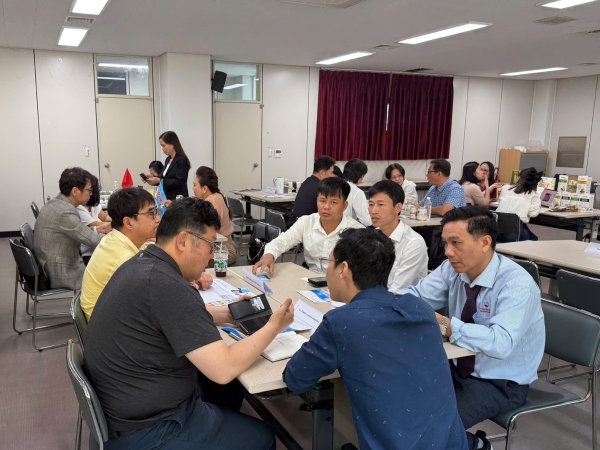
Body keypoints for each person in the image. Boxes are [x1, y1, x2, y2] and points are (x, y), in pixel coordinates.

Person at [84, 198, 294, 450]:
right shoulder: (167, 286)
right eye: (210, 245)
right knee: (262, 437)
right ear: (183, 241)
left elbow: (173, 317)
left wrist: (229, 314)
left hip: (128, 405)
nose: (211, 255)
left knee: (225, 391)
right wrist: (274, 326)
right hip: (149, 429)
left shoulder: (145, 264)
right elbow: (224, 368)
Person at [283, 228, 484, 450]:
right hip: (452, 443)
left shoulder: (341, 322)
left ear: (343, 269)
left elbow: (295, 378)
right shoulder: (420, 307)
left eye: (329, 263)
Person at [397, 206, 545, 438]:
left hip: (498, 382)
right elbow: (418, 295)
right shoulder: (454, 268)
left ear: (485, 242)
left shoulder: (516, 285)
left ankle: (477, 445)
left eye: (456, 243)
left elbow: (501, 343)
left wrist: (446, 325)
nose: (448, 252)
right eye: (445, 243)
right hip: (454, 365)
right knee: (394, 399)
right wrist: (380, 299)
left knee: (430, 429)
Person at [253, 177, 363, 275]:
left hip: (341, 283)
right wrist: (269, 255)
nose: (326, 207)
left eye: (333, 202)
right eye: (322, 201)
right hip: (310, 280)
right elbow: (283, 240)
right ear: (317, 201)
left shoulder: (356, 231)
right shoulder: (306, 222)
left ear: (344, 206)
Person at [80, 188, 161, 321]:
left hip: (112, 316)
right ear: (128, 222)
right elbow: (155, 295)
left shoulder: (118, 239)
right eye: (151, 213)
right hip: (109, 325)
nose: (157, 219)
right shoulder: (123, 258)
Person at [33, 167, 104, 290]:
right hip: (61, 271)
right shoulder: (65, 212)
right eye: (89, 190)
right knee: (109, 276)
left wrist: (99, 229)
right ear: (75, 191)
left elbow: (78, 231)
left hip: (48, 262)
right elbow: (94, 241)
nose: (91, 194)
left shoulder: (55, 203)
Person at [368, 180, 427, 289]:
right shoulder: (372, 237)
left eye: (381, 204)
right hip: (374, 295)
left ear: (398, 208)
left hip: (399, 298)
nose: (373, 211)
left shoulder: (413, 243)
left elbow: (397, 290)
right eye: (371, 204)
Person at [193, 166, 237, 265]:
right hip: (221, 248)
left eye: (194, 185)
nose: (193, 188)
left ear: (204, 188)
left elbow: (201, 228)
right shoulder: (216, 196)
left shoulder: (212, 200)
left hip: (223, 251)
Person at [288, 155, 336, 228]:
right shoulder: (321, 188)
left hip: (296, 223)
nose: (333, 176)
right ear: (322, 173)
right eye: (331, 173)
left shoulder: (307, 182)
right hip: (306, 227)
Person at [496, 167, 542, 242]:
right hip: (513, 235)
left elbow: (500, 203)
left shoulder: (505, 188)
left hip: (495, 232)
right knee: (533, 238)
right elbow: (533, 214)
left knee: (520, 223)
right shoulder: (533, 195)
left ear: (519, 178)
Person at [77, 174, 112, 265]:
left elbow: (104, 217)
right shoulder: (79, 207)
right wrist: (119, 224)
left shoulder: (93, 205)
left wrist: (117, 219)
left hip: (97, 246)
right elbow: (96, 224)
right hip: (87, 251)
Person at [145, 131, 191, 200]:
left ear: (172, 144)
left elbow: (180, 181)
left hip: (178, 198)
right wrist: (153, 178)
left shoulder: (181, 160)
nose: (162, 149)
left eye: (164, 146)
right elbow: (165, 179)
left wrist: (159, 180)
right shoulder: (168, 159)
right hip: (166, 197)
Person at [342, 158, 371, 226]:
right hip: (347, 228)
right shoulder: (357, 192)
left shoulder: (336, 185)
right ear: (361, 176)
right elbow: (366, 221)